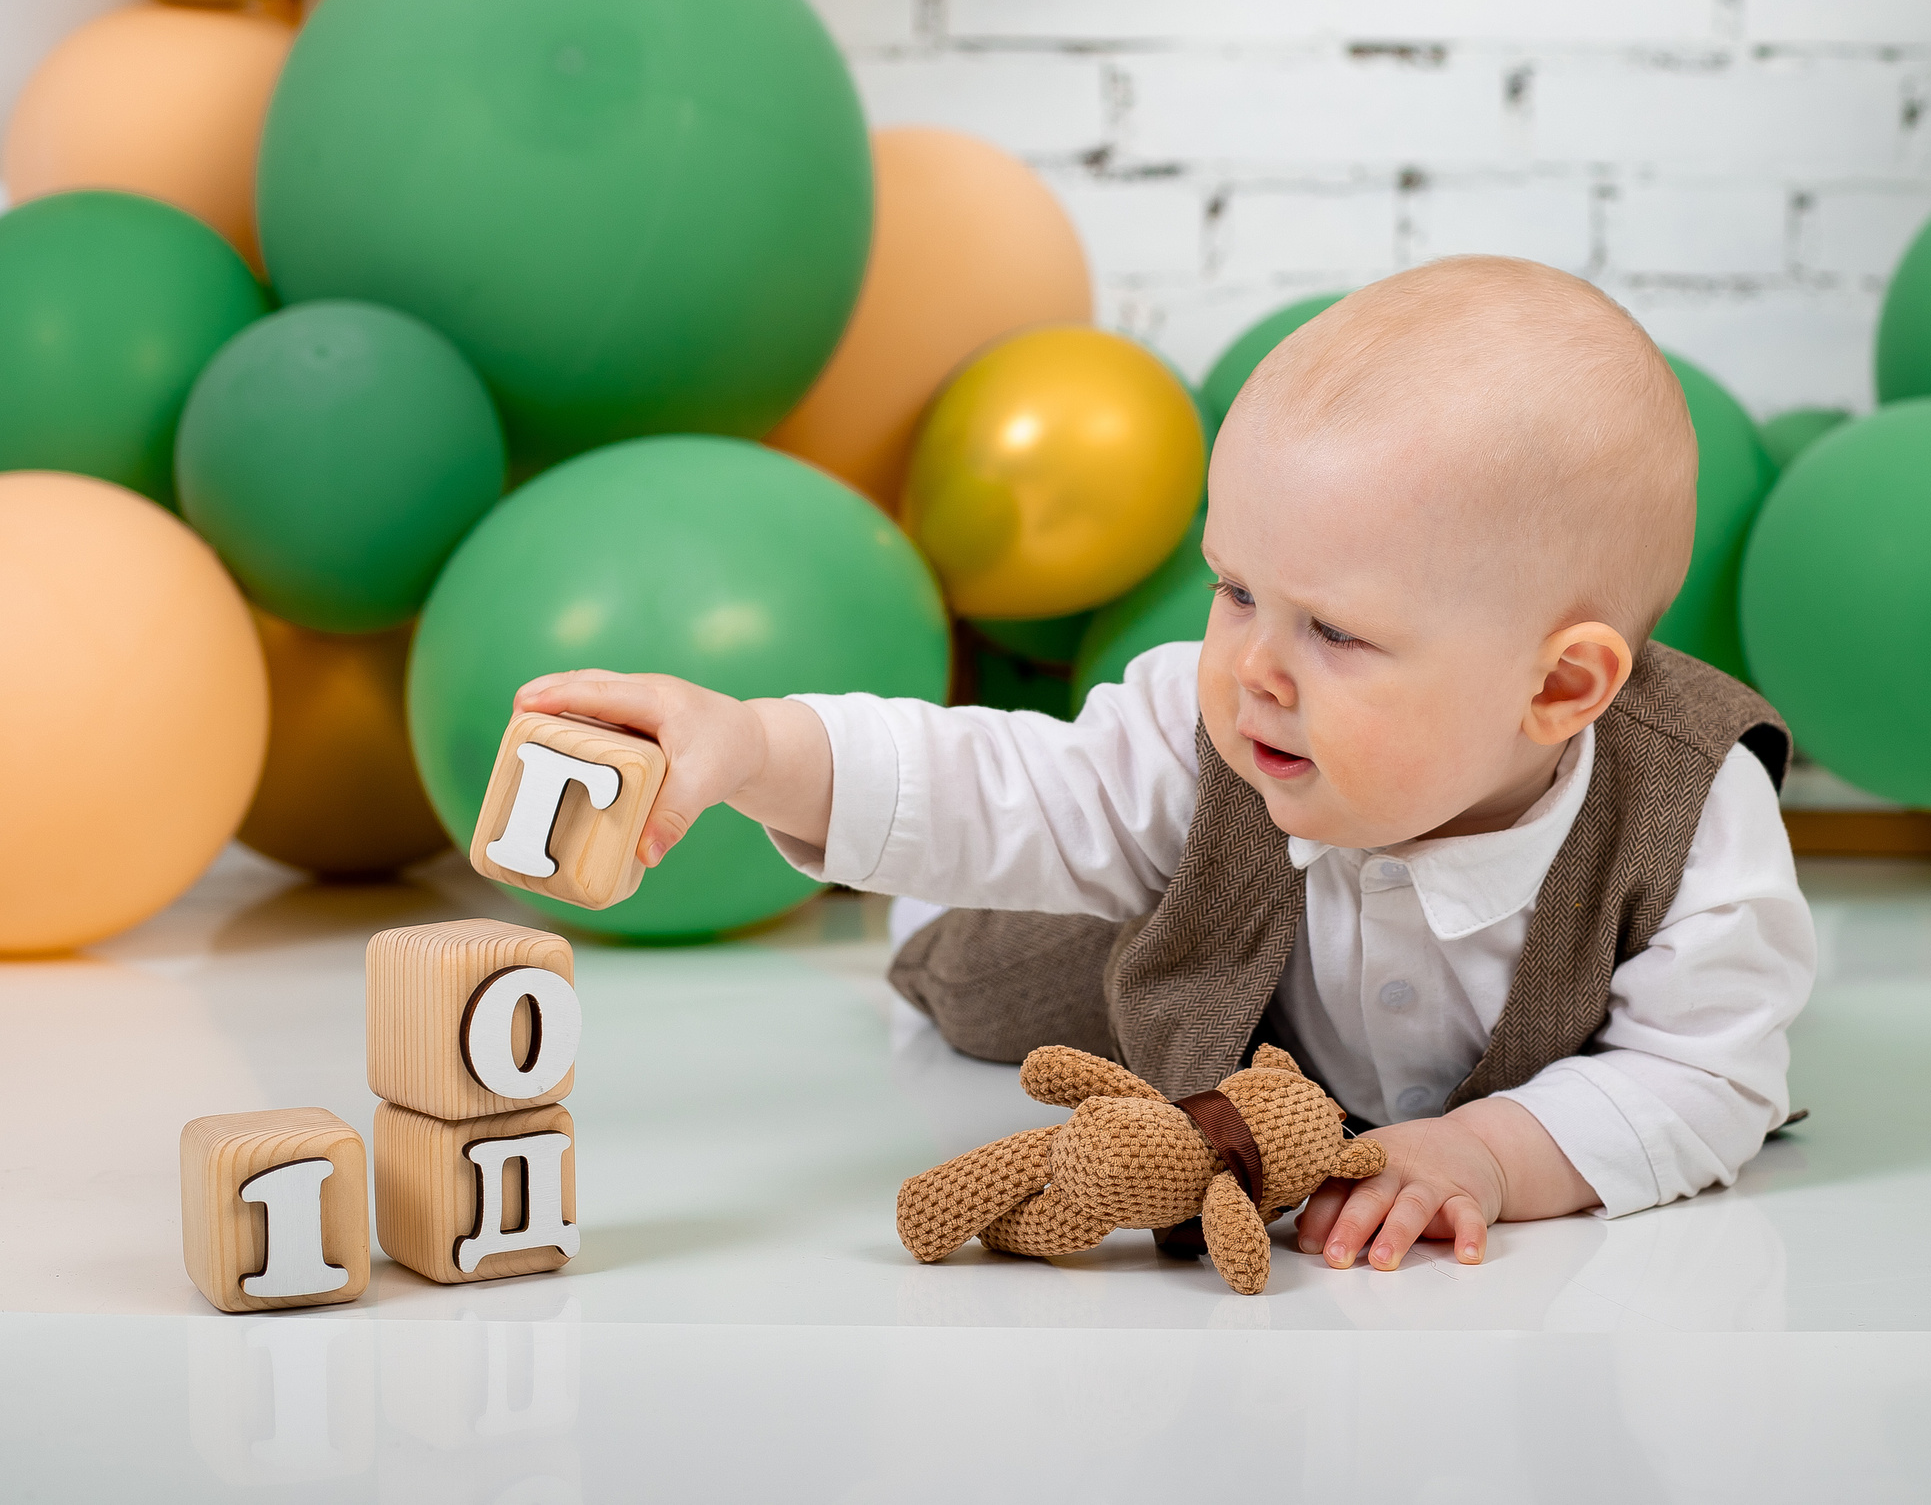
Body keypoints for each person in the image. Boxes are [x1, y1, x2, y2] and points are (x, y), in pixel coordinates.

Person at [514, 255, 1815, 1276]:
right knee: (986, 969)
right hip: (1200, 976)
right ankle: (928, 923)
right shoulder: (1211, 739)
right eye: (1235, 589)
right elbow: (1002, 788)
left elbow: (1711, 1077)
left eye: (1338, 631)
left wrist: (1488, 1152)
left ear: (1558, 686)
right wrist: (758, 745)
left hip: (1372, 1071)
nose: (1253, 667)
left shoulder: (1694, 818)